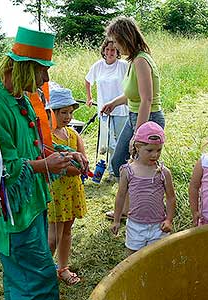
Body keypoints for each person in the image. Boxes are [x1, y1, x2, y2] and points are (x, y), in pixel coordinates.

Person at [0, 27, 87, 299]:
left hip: (33, 202)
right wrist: (45, 165)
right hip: (14, 214)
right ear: (24, 68)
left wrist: (64, 152)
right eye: (42, 70)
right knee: (36, 282)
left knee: (29, 278)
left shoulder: (21, 99)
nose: (46, 77)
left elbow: (35, 145)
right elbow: (2, 172)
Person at [101, 17, 165, 219]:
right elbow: (133, 94)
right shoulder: (133, 60)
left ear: (126, 38)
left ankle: (148, 209)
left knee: (137, 164)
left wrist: (138, 135)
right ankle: (129, 209)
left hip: (148, 119)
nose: (117, 48)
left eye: (117, 43)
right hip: (135, 116)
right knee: (123, 162)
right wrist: (114, 103)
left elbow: (146, 99)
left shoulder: (141, 60)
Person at [111, 121, 176, 254]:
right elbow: (121, 196)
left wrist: (169, 219)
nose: (155, 155)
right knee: (133, 258)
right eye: (150, 150)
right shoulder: (128, 171)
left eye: (159, 150)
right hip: (135, 225)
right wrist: (116, 220)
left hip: (158, 226)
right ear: (138, 147)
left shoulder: (163, 173)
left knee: (158, 257)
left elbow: (171, 197)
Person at [45, 88, 87, 285]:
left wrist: (80, 164)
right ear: (51, 112)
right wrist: (74, 166)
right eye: (63, 112)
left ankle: (63, 267)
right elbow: (65, 166)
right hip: (56, 192)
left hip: (72, 190)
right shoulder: (47, 138)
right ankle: (44, 272)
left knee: (68, 230)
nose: (68, 117)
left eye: (70, 112)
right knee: (53, 236)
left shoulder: (72, 134)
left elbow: (82, 160)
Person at [85, 38, 128, 179]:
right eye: (107, 49)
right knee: (109, 142)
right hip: (104, 111)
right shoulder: (98, 66)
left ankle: (122, 170)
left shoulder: (123, 65)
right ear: (103, 51)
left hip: (121, 109)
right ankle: (112, 171)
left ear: (117, 52)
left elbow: (131, 82)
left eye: (113, 50)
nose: (110, 52)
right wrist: (89, 98)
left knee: (122, 141)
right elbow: (88, 80)